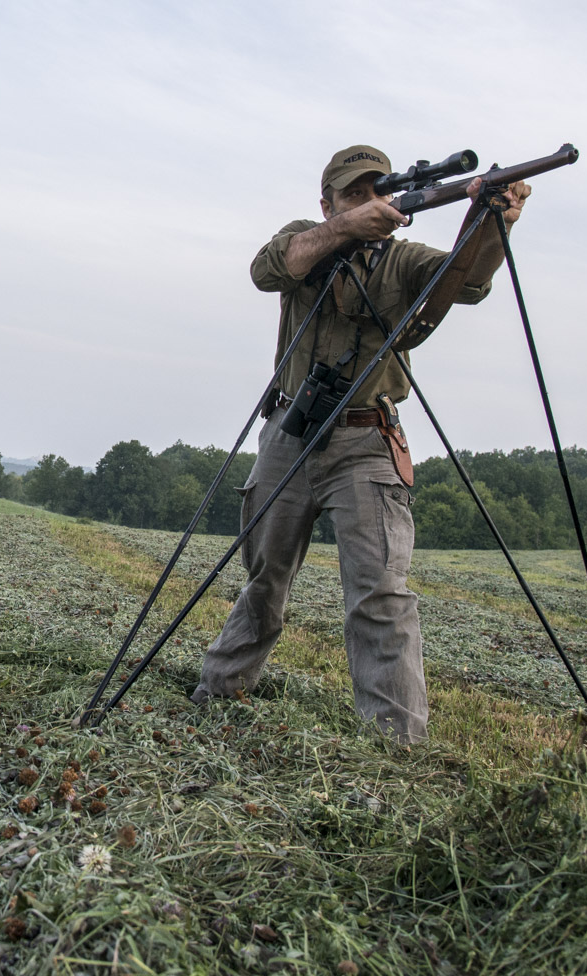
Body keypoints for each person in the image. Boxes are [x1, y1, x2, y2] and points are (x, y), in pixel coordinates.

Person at [190, 144, 530, 743]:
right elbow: (270, 268)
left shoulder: (404, 262)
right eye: (354, 194)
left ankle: (393, 744)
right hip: (288, 435)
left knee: (379, 593)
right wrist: (347, 228)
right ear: (326, 204)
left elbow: (468, 282)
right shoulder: (307, 239)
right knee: (264, 578)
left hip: (366, 440)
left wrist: (491, 224)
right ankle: (218, 691)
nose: (370, 202)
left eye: (380, 191)